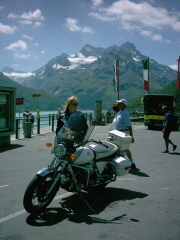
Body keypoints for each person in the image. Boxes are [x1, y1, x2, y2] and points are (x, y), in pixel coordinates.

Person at [113, 99, 136, 169]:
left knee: (125, 147)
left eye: (120, 104)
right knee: (118, 148)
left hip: (123, 132)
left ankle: (132, 162)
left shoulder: (125, 113)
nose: (118, 105)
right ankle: (120, 162)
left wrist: (131, 136)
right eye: (118, 104)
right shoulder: (119, 113)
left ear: (124, 105)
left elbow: (129, 125)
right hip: (117, 132)